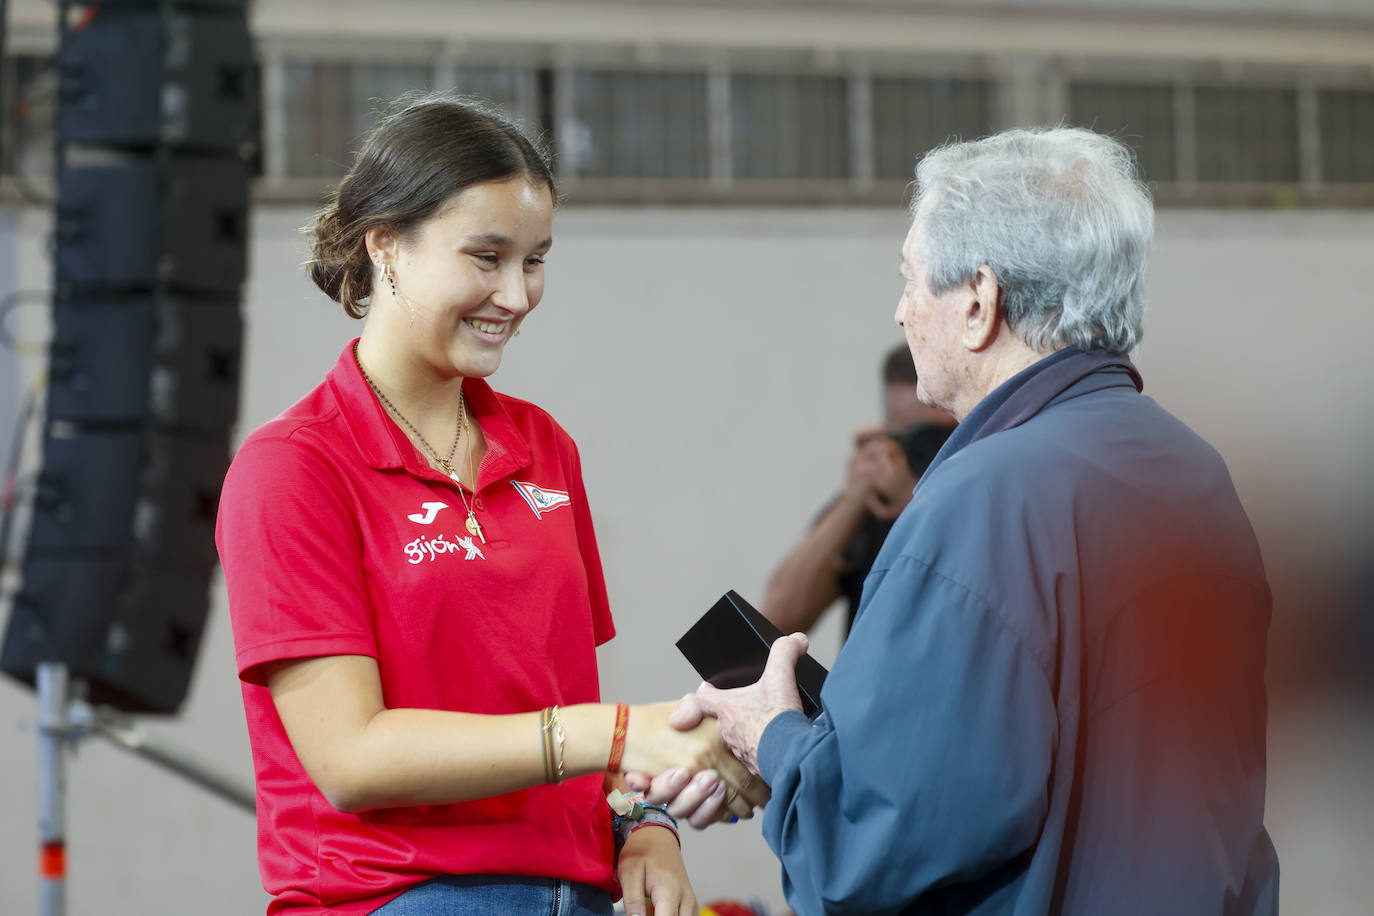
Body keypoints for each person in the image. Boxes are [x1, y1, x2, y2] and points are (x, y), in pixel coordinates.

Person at [630, 126, 1280, 914]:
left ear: (978, 301)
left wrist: (770, 731)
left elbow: (871, 849)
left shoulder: (983, 500)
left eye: (909, 279)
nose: (900, 311)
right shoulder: (1192, 470)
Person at [215, 94, 764, 916]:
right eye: (486, 256)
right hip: (395, 898)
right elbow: (351, 758)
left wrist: (646, 828)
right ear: (386, 245)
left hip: (572, 895)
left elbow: (559, 715)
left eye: (535, 259)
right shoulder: (293, 469)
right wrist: (618, 732)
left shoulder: (544, 446)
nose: (515, 294)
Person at [761, 344, 954, 637]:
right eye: (908, 437)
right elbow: (775, 621)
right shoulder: (875, 503)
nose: (924, 451)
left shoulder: (991, 499)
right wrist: (852, 502)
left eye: (937, 436)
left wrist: (918, 507)